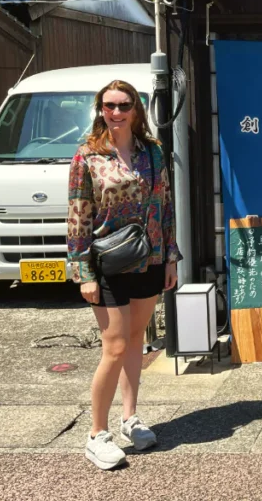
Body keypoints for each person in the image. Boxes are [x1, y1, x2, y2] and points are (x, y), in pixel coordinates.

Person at [66, 80, 182, 470]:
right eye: (108, 105)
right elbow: (79, 214)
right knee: (114, 346)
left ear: (136, 110)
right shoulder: (87, 156)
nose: (115, 112)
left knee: (137, 340)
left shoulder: (153, 152)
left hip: (148, 258)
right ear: (100, 109)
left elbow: (165, 206)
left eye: (123, 105)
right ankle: (96, 434)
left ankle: (130, 417)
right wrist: (82, 270)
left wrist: (170, 256)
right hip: (107, 264)